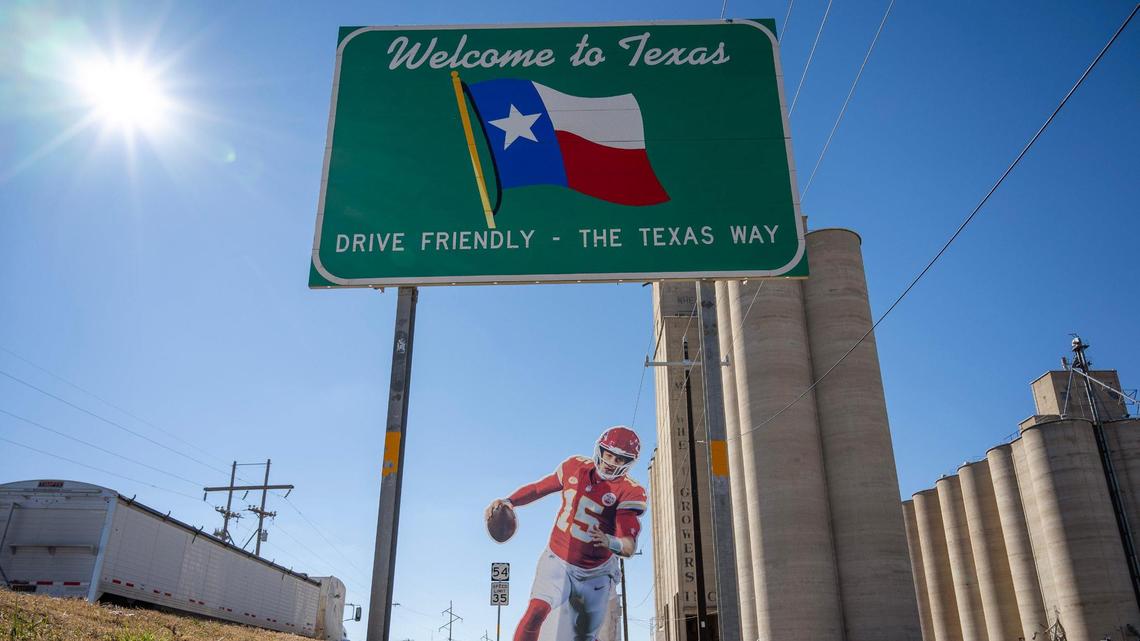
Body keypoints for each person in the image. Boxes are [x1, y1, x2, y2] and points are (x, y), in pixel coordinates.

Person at [486, 426, 646, 641]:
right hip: (558, 558)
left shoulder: (630, 491)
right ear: (600, 450)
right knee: (535, 611)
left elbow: (628, 545)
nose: (611, 462)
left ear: (628, 463)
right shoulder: (574, 466)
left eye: (619, 460)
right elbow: (538, 488)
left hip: (596, 572)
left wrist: (610, 541)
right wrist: (509, 501)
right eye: (609, 455)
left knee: (585, 636)